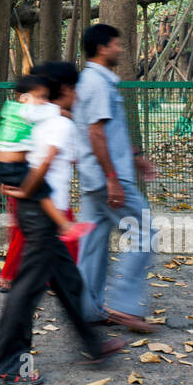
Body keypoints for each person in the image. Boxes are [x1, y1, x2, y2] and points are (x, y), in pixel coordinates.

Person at [0, 61, 126, 385]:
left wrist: (20, 190)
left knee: (69, 283)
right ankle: (5, 364)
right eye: (75, 89)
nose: (79, 95)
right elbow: (40, 165)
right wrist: (25, 192)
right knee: (26, 290)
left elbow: (21, 157)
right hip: (41, 216)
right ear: (65, 90)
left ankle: (93, 346)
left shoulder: (46, 118)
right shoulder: (57, 124)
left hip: (43, 211)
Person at [73, 24, 159, 333]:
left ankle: (88, 310)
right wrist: (113, 178)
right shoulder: (96, 83)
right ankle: (123, 305)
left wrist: (136, 158)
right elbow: (95, 133)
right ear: (101, 48)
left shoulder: (94, 82)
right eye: (116, 44)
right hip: (109, 179)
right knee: (146, 231)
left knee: (93, 246)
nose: (121, 49)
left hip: (94, 180)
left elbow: (108, 132)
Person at [0, 73, 59, 290]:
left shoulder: (19, 111)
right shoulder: (22, 109)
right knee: (36, 208)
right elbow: (47, 112)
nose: (42, 101)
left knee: (26, 228)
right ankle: (12, 275)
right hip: (15, 169)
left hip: (15, 168)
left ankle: (31, 274)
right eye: (39, 97)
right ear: (23, 97)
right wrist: (61, 109)